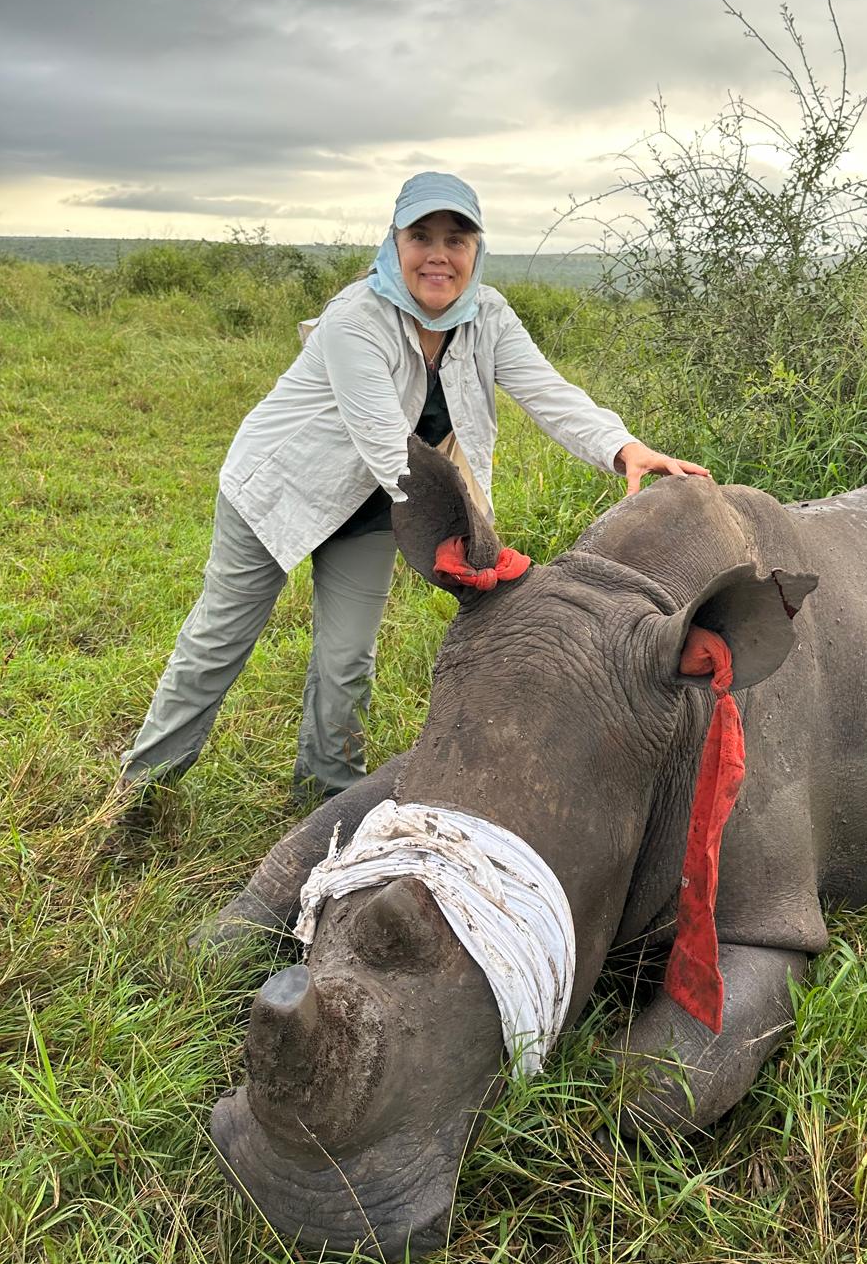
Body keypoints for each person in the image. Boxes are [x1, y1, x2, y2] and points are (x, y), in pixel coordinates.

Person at [118, 172, 709, 803]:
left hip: (377, 508)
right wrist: (482, 548)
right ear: (394, 244)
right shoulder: (356, 321)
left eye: (456, 239)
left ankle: (327, 799)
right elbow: (386, 447)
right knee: (218, 644)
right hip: (280, 492)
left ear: (476, 252)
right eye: (420, 236)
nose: (438, 254)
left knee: (347, 660)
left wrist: (623, 449)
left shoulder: (489, 318)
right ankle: (140, 793)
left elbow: (550, 395)